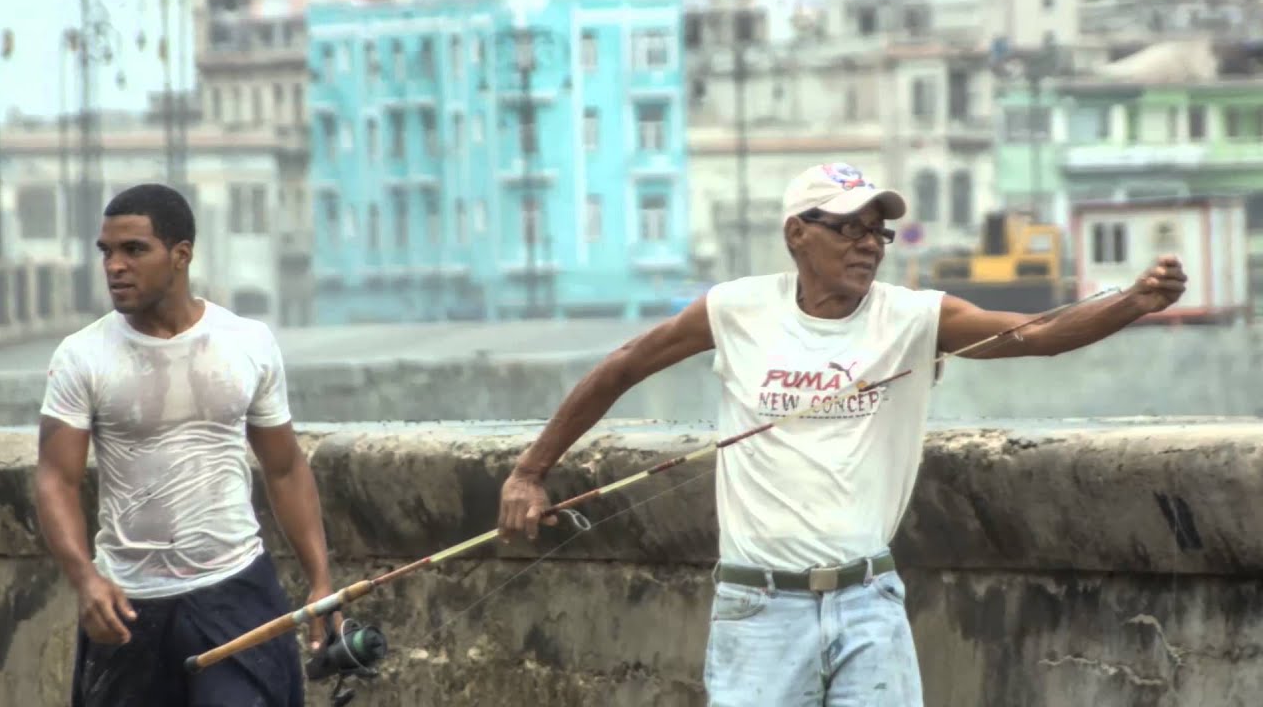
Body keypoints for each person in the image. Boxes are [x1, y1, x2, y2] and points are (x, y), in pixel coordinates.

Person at [496, 162, 1187, 706]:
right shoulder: (736, 309)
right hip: (757, 610)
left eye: (877, 233)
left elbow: (1033, 335)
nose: (867, 245)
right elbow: (623, 366)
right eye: (848, 228)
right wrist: (531, 471)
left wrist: (1132, 302)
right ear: (797, 233)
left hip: (868, 605)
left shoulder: (914, 316)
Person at [34, 183, 337, 707]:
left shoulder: (246, 342)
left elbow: (285, 468)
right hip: (129, 605)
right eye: (107, 252)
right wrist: (85, 579)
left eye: (134, 250)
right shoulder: (82, 356)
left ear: (181, 255)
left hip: (235, 590)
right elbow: (55, 480)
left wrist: (321, 580)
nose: (115, 266)